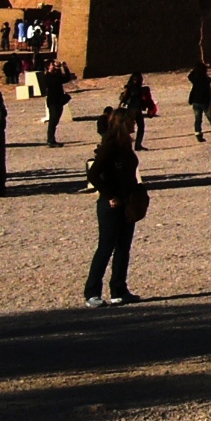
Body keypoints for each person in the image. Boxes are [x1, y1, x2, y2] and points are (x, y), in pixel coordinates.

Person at [84, 110, 145, 305]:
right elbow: (93, 174)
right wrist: (110, 195)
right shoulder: (110, 146)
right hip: (110, 204)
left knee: (123, 247)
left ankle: (119, 290)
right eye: (131, 121)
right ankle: (92, 293)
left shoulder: (126, 144)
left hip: (127, 201)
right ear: (123, 123)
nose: (134, 125)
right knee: (105, 247)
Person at [187, 64, 211, 143]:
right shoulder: (207, 80)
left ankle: (198, 135)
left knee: (198, 119)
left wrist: (195, 69)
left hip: (196, 101)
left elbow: (190, 76)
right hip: (205, 102)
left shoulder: (195, 79)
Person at [118, 73, 156, 151]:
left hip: (137, 110)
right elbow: (124, 97)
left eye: (137, 79)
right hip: (131, 110)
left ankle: (138, 145)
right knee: (128, 128)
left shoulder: (140, 89)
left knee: (141, 127)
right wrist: (119, 107)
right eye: (134, 79)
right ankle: (126, 145)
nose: (136, 81)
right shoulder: (129, 88)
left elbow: (146, 100)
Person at [41, 60, 74, 145]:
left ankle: (52, 139)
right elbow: (56, 81)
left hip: (58, 101)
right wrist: (58, 69)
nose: (54, 66)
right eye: (52, 65)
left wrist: (65, 68)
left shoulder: (55, 75)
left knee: (55, 121)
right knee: (53, 121)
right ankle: (50, 140)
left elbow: (67, 78)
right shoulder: (47, 76)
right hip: (53, 102)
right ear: (48, 67)